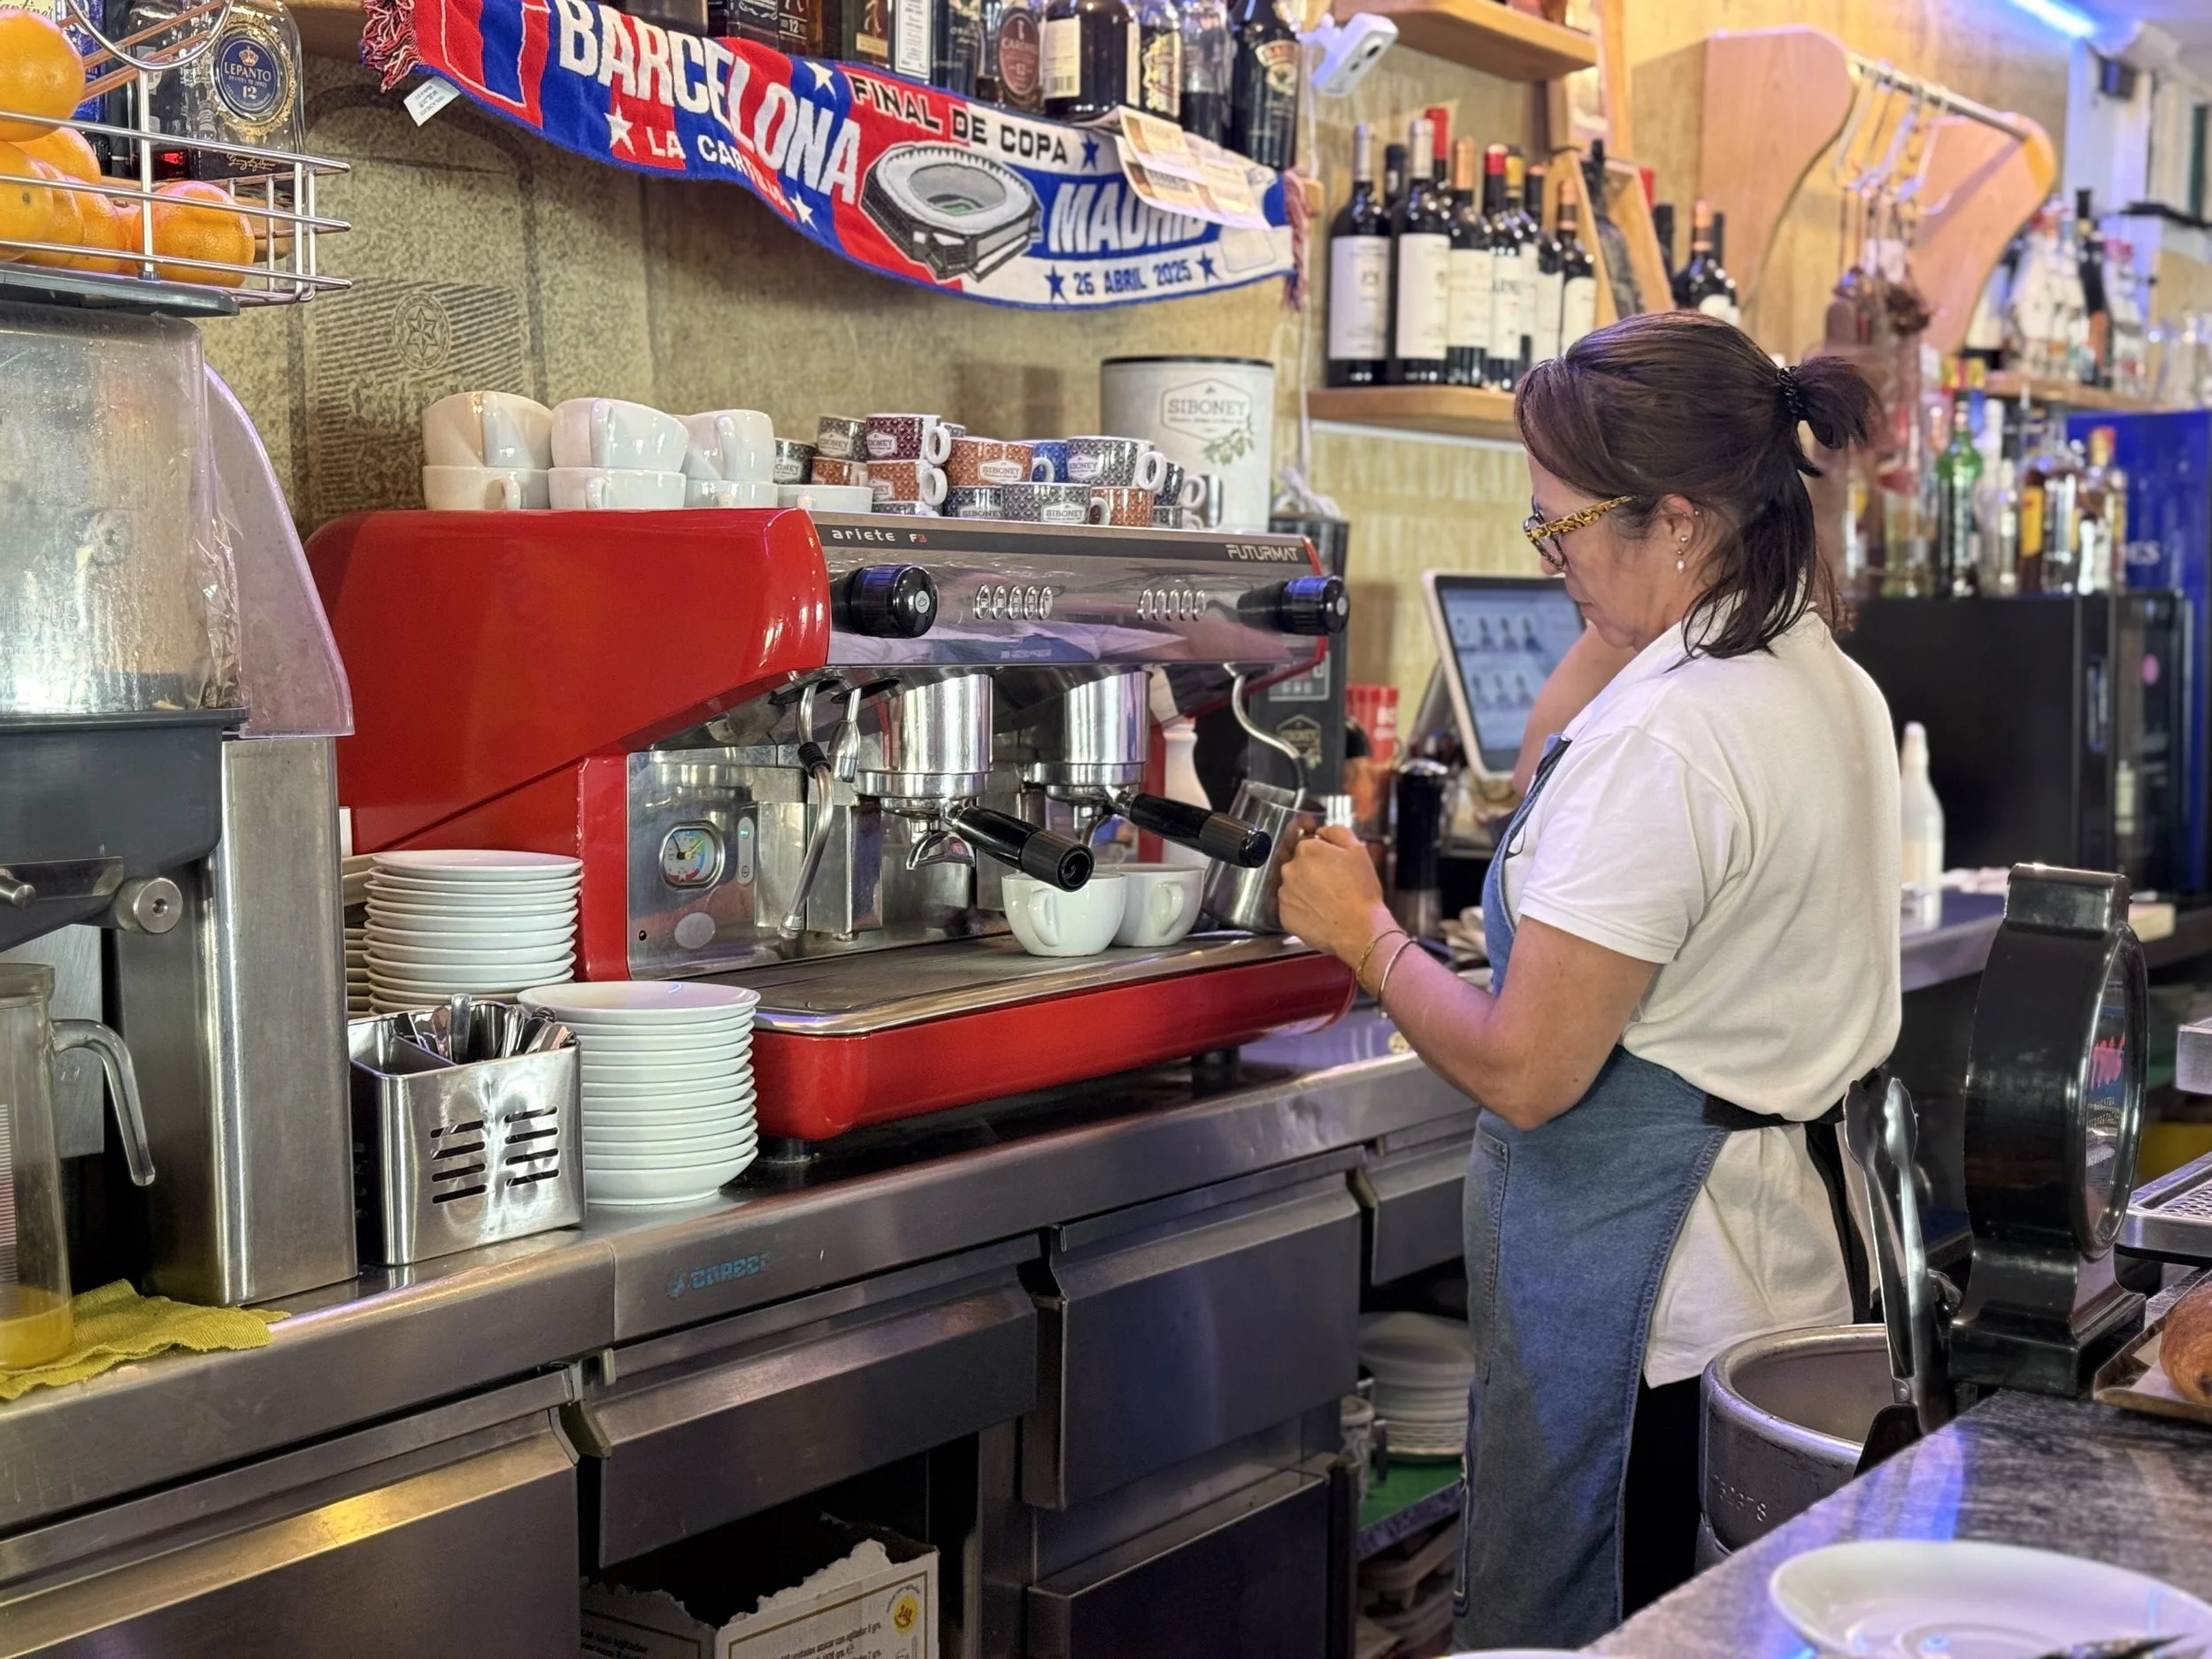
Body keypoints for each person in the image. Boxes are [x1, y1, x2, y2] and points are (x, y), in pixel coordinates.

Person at [1279, 313, 1898, 1649]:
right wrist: (1612, 600)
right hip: (1787, 1274)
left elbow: (1527, 1065)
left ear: (1678, 521)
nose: (1548, 557)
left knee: (1602, 1620)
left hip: (1655, 1319)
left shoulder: (1676, 740)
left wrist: (1365, 936)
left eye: (1558, 529)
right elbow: (1561, 738)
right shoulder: (1809, 668)